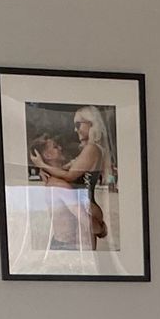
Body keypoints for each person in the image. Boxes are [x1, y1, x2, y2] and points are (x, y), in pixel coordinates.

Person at [30, 105, 119, 255]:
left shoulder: (91, 148)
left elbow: (70, 175)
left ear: (91, 123)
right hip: (80, 231)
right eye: (56, 146)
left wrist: (42, 165)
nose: (75, 129)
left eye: (78, 124)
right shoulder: (87, 150)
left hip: (82, 229)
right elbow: (67, 172)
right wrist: (43, 170)